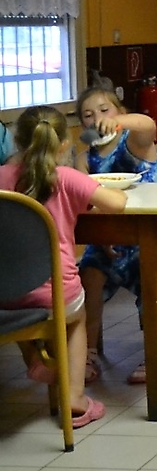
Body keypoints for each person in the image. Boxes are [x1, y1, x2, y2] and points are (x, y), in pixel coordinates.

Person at [0, 105, 125, 427]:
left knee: (16, 296)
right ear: (64, 144)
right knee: (74, 318)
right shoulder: (67, 179)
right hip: (55, 293)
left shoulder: (2, 177)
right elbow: (117, 204)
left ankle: (35, 359)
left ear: (16, 140)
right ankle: (75, 398)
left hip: (5, 294)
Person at [73, 83, 157, 384]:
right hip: (108, 237)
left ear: (120, 112)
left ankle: (155, 353)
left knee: (151, 275)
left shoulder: (135, 143)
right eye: (88, 114)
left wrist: (120, 122)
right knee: (89, 274)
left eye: (104, 110)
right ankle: (87, 352)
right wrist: (102, 237)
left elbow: (147, 124)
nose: (97, 118)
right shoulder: (85, 159)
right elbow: (85, 202)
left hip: (154, 234)